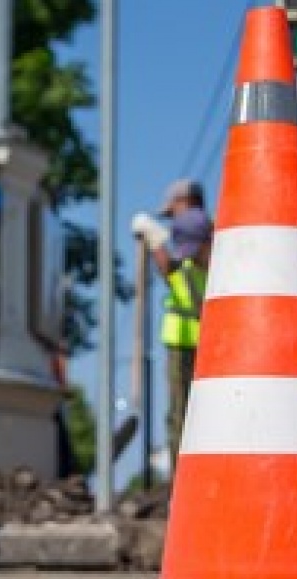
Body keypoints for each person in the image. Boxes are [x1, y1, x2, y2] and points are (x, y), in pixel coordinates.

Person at [131, 179, 213, 466]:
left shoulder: (198, 255)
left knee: (184, 415)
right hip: (196, 341)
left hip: (191, 343)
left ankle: (184, 478)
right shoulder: (206, 251)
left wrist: (155, 243)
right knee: (185, 415)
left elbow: (171, 271)